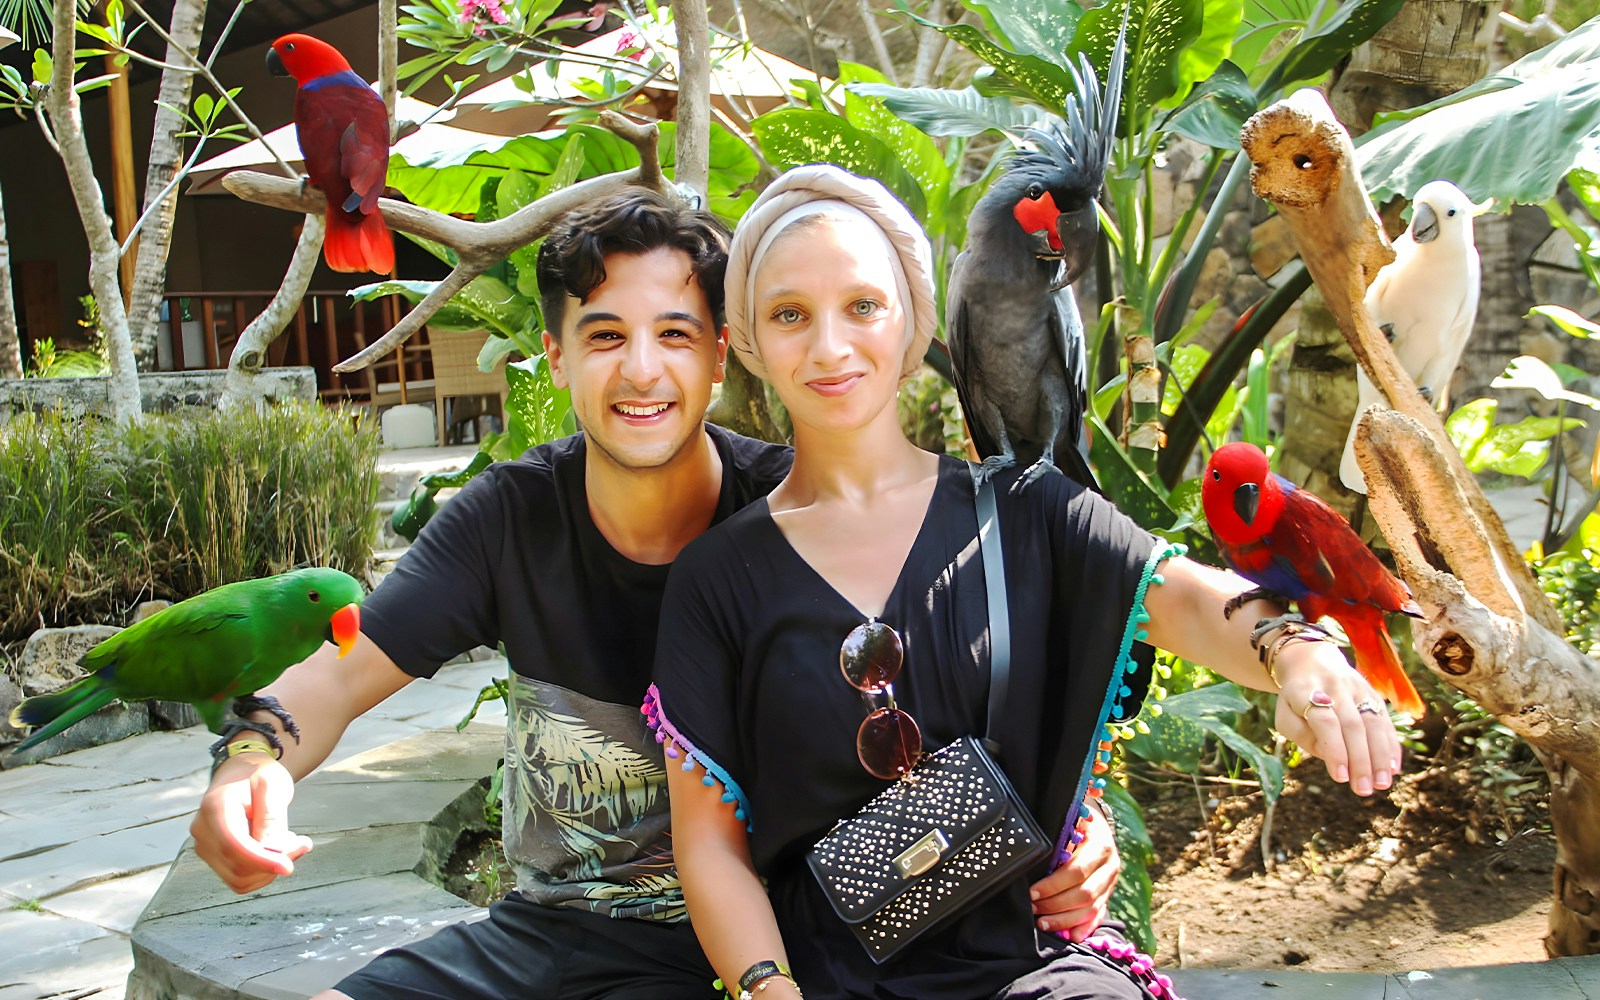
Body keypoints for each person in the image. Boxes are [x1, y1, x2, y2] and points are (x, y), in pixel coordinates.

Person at [187, 186, 1124, 1000]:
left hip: (781, 947)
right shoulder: (511, 519)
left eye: (674, 336)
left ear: (722, 356)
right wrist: (250, 768)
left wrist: (1077, 824)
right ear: (555, 358)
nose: (641, 371)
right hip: (554, 933)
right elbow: (342, 675)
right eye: (603, 337)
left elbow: (959, 697)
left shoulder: (798, 522)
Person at [650, 165, 1404, 1000]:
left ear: (910, 322)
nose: (831, 347)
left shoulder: (1023, 509)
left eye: (863, 306)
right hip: (825, 976)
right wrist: (769, 988)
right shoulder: (717, 579)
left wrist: (1295, 653)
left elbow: (1184, 597)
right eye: (791, 315)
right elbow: (710, 846)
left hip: (1034, 958)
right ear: (747, 338)